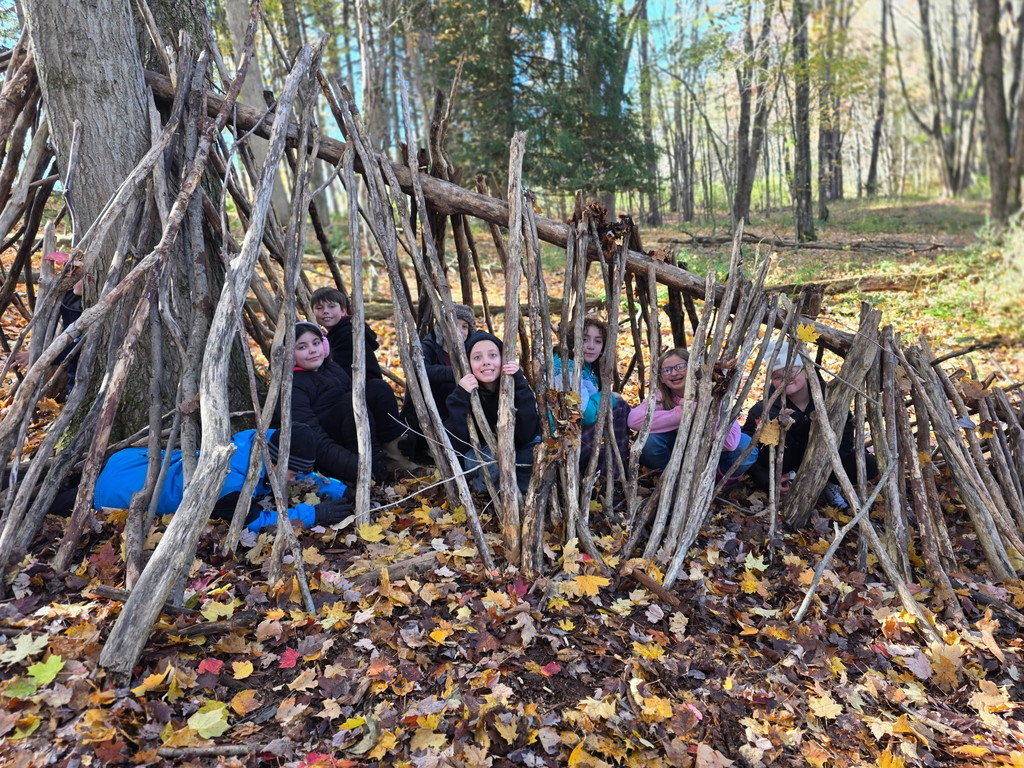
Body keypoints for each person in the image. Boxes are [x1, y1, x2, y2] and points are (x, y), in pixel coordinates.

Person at [89, 424, 352, 532]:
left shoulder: (259, 442)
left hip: (133, 460)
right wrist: (315, 515)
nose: (296, 479)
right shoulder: (230, 482)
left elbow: (304, 472)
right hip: (117, 490)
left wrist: (340, 491)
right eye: (292, 473)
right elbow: (252, 521)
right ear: (273, 462)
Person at [741, 341, 878, 509]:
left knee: (867, 464)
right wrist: (766, 479)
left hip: (825, 462)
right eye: (777, 377)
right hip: (786, 467)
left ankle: (828, 484)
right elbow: (747, 449)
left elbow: (846, 435)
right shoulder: (763, 410)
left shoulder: (831, 400)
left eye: (791, 372)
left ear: (806, 372)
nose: (785, 379)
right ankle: (789, 487)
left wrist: (824, 470)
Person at [309, 290, 414, 471]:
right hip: (358, 391)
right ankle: (393, 456)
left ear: (343, 310)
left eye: (331, 307)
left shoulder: (347, 333)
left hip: (361, 389)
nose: (325, 311)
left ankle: (392, 457)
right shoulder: (334, 334)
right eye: (319, 308)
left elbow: (346, 371)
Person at [628, 347, 757, 478]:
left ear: (693, 368)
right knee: (650, 441)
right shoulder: (661, 396)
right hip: (673, 456)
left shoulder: (713, 393)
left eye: (680, 367)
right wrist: (682, 413)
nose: (673, 373)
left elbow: (730, 442)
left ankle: (715, 482)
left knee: (745, 446)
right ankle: (668, 478)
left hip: (709, 457)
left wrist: (702, 417)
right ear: (661, 378)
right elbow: (634, 420)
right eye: (667, 370)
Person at [444, 330, 541, 493]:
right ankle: (490, 488)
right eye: (477, 357)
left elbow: (527, 434)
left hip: (516, 448)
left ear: (503, 359)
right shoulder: (463, 393)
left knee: (536, 452)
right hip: (482, 455)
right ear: (467, 363)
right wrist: (460, 396)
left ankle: (516, 490)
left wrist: (520, 384)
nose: (486, 362)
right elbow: (456, 443)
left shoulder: (516, 388)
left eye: (493, 355)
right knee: (492, 462)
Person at [290, 322, 388, 482]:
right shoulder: (293, 386)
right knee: (351, 402)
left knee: (377, 388)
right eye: (302, 347)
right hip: (332, 456)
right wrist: (357, 467)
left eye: (316, 343)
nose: (313, 350)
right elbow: (314, 438)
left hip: (356, 435)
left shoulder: (332, 368)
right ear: (289, 355)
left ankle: (395, 454)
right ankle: (373, 464)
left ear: (325, 345)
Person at [551, 317, 631, 474]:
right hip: (562, 445)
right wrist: (608, 396)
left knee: (617, 407)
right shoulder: (566, 369)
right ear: (573, 341)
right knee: (619, 407)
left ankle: (606, 470)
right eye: (584, 339)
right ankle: (613, 474)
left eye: (598, 341)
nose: (591, 346)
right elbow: (585, 414)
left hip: (575, 439)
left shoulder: (585, 369)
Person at [399, 303, 476, 461]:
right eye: (453, 324)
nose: (460, 331)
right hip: (426, 415)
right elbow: (421, 371)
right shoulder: (428, 346)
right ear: (441, 327)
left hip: (453, 414)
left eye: (465, 326)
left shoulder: (471, 351)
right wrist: (457, 374)